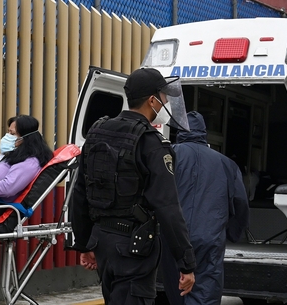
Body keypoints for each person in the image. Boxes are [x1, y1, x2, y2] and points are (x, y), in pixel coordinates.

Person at [70, 67, 196, 304]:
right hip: (134, 248)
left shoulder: (97, 132)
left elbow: (80, 193)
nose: (166, 102)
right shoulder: (151, 143)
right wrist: (186, 263)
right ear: (152, 100)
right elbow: (167, 207)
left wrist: (84, 244)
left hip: (102, 243)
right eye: (163, 96)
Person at [156, 111, 250, 305]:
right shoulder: (226, 164)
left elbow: (153, 194)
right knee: (205, 292)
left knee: (177, 292)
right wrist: (233, 233)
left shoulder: (167, 156)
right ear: (203, 133)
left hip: (173, 238)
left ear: (179, 131)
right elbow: (241, 204)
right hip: (209, 239)